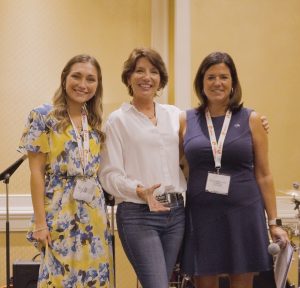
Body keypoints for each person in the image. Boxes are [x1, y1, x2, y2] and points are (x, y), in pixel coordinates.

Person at [180, 51, 289, 288]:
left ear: (233, 83)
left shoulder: (252, 119)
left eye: (223, 77)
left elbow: (264, 173)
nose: (217, 82)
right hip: (201, 216)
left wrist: (274, 222)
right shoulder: (185, 120)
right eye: (210, 77)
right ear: (201, 83)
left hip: (243, 215)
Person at [18, 54, 114, 287]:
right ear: (64, 79)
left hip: (94, 214)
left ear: (97, 85)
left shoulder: (94, 120)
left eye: (91, 79)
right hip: (59, 211)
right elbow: (36, 173)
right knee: (58, 279)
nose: (83, 84)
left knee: (94, 279)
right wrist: (40, 223)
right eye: (77, 76)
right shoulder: (43, 116)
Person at [99, 48, 187, 288]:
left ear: (160, 80)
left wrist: (254, 121)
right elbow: (108, 175)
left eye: (153, 71)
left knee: (163, 283)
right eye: (139, 71)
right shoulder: (118, 120)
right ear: (129, 77)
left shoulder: (175, 115)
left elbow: (203, 139)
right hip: (139, 215)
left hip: (176, 213)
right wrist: (138, 190)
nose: (147, 77)